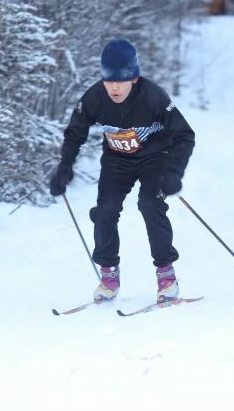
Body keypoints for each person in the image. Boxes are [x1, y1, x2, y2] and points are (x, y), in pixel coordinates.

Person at [48, 39, 195, 303]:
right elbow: (74, 134)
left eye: (121, 80)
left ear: (134, 78)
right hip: (117, 159)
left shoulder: (153, 96)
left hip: (155, 158)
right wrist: (64, 167)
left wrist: (174, 172)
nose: (114, 87)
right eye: (108, 80)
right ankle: (108, 277)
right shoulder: (94, 97)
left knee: (150, 204)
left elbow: (184, 135)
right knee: (105, 210)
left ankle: (166, 275)